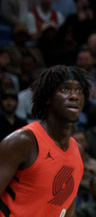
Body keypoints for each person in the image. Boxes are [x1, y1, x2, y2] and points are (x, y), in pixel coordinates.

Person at [0, 65, 88, 217]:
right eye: (65, 89)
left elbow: (67, 210)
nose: (74, 96)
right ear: (48, 98)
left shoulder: (78, 151)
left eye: (78, 90)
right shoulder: (24, 141)